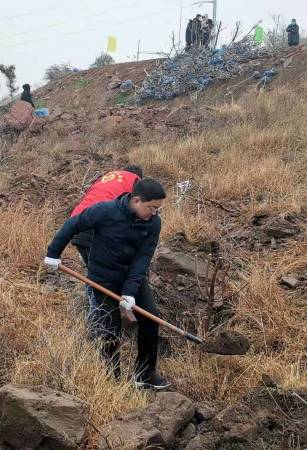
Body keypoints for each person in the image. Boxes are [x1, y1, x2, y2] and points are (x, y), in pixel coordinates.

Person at [44, 178, 170, 390]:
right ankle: (112, 378)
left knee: (151, 318)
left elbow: (143, 258)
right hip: (102, 278)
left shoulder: (153, 223)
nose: (155, 213)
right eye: (152, 207)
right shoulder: (105, 211)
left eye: (158, 208)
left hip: (132, 277)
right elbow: (74, 224)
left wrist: (130, 292)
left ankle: (145, 374)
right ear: (136, 200)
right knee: (109, 329)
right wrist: (53, 253)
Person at [70, 165, 143, 266]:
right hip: (98, 226)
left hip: (77, 224)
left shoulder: (105, 178)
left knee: (98, 274)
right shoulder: (135, 180)